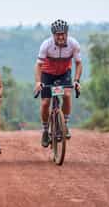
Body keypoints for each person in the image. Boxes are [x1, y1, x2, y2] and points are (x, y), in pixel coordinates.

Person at [34, 19, 82, 147]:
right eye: (57, 34)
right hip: (47, 74)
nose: (61, 37)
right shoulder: (46, 45)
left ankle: (64, 124)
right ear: (53, 35)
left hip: (64, 73)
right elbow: (38, 65)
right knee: (45, 103)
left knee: (66, 95)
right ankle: (45, 130)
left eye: (63, 34)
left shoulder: (73, 44)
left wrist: (76, 81)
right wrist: (38, 82)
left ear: (67, 33)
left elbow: (78, 63)